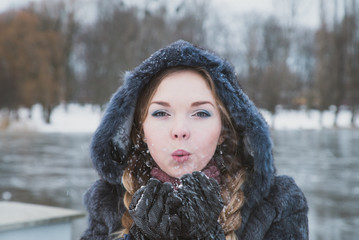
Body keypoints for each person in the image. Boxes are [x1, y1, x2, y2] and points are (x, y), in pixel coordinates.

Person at [80, 40, 308, 240]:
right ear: (140, 130)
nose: (180, 130)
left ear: (223, 130)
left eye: (200, 113)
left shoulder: (278, 203)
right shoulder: (109, 202)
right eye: (161, 113)